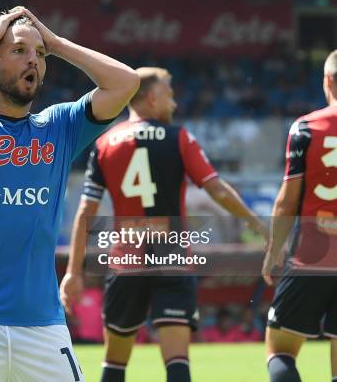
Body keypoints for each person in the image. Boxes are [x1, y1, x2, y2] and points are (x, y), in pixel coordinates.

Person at [0, 6, 139, 381]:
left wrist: (56, 43)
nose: (33, 61)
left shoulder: (59, 127)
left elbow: (125, 82)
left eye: (39, 55)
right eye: (19, 50)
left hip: (42, 327)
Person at [60, 67, 267, 382]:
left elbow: (84, 213)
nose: (173, 104)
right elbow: (217, 190)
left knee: (114, 364)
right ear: (153, 98)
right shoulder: (179, 138)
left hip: (126, 259)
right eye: (169, 95)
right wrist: (258, 225)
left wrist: (74, 272)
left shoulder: (106, 143)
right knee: (177, 362)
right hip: (171, 257)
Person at [262, 49, 337, 382]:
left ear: (328, 81)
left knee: (279, 351)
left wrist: (274, 249)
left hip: (314, 251)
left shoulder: (306, 127)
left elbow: (286, 201)